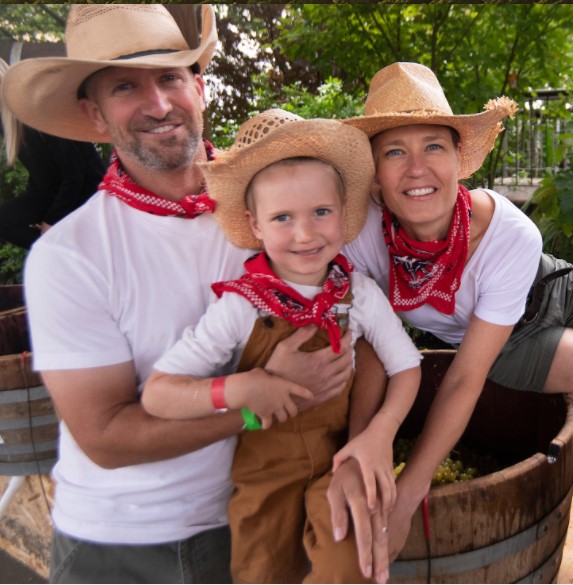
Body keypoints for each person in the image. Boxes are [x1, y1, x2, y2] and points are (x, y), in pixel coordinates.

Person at [1, 5, 387, 583]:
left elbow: (368, 330)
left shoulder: (283, 211)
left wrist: (358, 451)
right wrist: (267, 403)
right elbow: (105, 436)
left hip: (265, 510)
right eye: (126, 87)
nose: (158, 105)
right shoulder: (72, 256)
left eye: (170, 78)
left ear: (200, 89)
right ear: (95, 114)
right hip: (123, 546)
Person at [341, 62, 573, 558]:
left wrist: (406, 489)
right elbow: (437, 367)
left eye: (433, 145)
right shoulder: (361, 235)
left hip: (555, 283)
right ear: (375, 170)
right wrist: (387, 471)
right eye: (395, 151)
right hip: (514, 344)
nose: (416, 168)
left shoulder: (510, 233)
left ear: (459, 157)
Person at [140, 109, 422, 583]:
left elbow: (407, 367)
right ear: (256, 226)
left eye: (321, 213)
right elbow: (158, 394)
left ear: (344, 212)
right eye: (283, 218)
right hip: (263, 482)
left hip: (339, 465)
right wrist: (241, 389)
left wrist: (379, 433)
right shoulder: (241, 306)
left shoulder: (360, 294)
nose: (305, 233)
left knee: (351, 566)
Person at [0, 58, 105, 248]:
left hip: (87, 191)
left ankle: (67, 252)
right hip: (55, 191)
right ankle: (62, 252)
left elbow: (75, 174)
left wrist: (51, 220)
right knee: (5, 220)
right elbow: (42, 171)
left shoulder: (38, 110)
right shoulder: (7, 122)